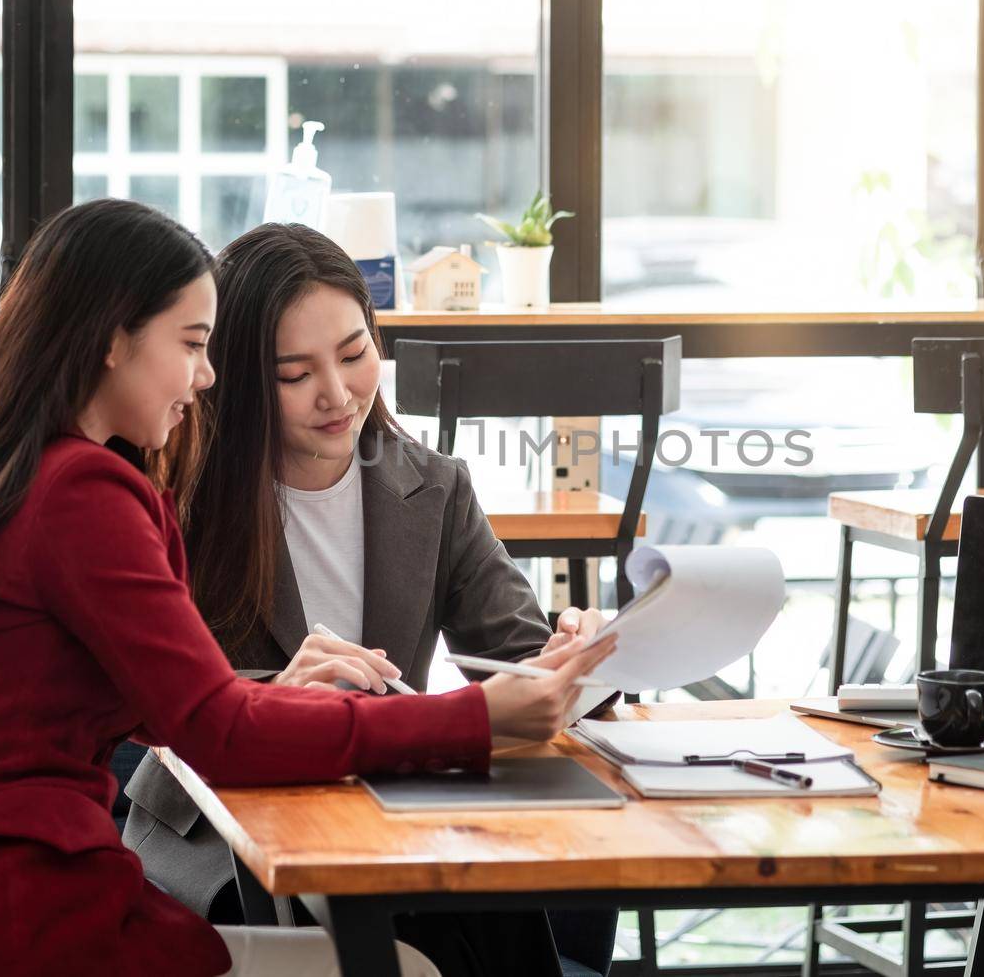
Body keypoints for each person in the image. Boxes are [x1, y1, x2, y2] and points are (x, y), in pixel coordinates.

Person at [0, 199, 614, 977]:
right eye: (192, 344)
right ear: (113, 341)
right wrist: (471, 718)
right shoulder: (87, 492)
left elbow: (180, 709)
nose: (204, 375)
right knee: (412, 965)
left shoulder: (25, 474)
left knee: (457, 936)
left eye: (354, 354)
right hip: (31, 924)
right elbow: (211, 726)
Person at [122, 223, 618, 976]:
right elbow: (155, 704)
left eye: (356, 355)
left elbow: (515, 655)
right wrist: (278, 697)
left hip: (385, 817)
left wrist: (567, 654)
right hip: (223, 834)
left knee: (482, 909)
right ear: (237, 376)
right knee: (447, 934)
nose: (338, 393)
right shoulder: (179, 497)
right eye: (294, 374)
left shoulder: (433, 487)